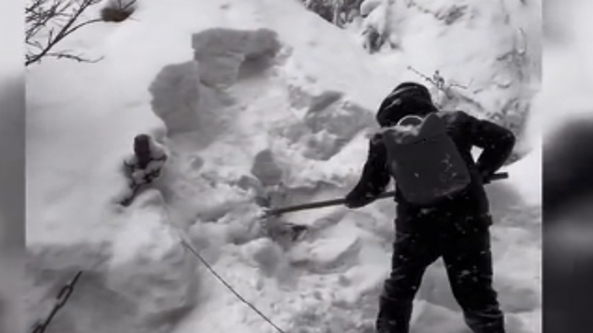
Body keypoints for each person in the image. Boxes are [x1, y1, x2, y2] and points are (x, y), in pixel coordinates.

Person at [344, 82, 515, 333]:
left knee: (400, 292)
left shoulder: (385, 140)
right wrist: (481, 172)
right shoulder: (455, 121)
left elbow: (371, 188)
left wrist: (352, 200)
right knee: (477, 295)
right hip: (467, 222)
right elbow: (503, 139)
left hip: (417, 229)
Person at [120, 134, 168, 206]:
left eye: (144, 153)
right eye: (139, 153)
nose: (141, 155)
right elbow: (129, 163)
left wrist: (149, 172)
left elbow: (161, 162)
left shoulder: (158, 154)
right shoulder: (135, 160)